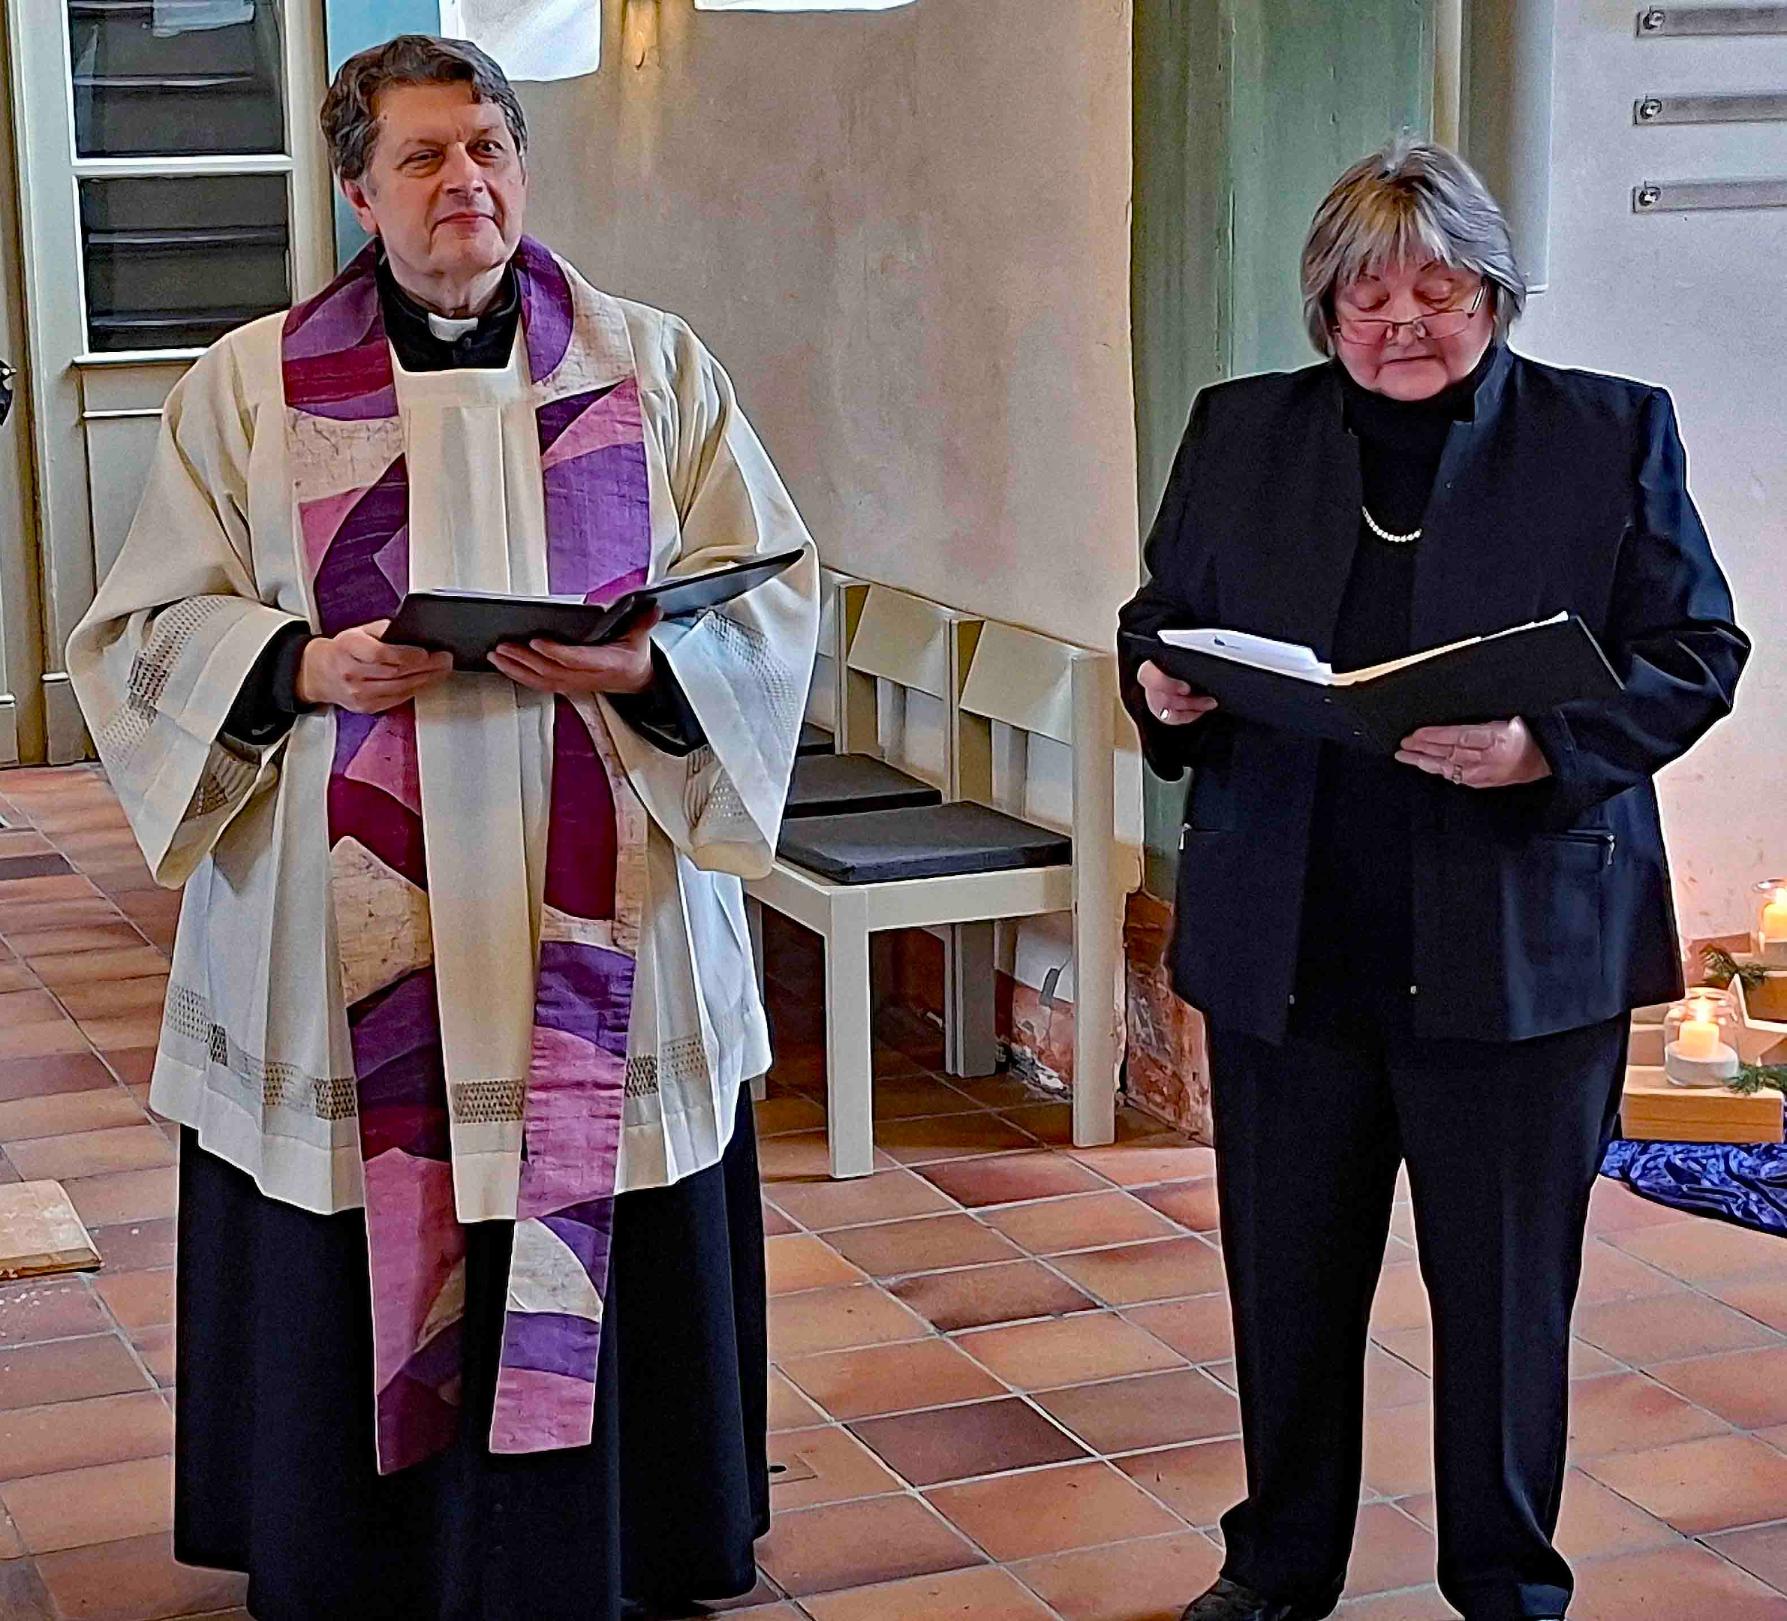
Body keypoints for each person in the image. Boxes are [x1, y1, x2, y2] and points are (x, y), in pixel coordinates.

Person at [68, 34, 818, 1621]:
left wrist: (646, 662)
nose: (463, 178)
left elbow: (772, 591)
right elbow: (140, 626)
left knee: (594, 1169)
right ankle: (362, 1553)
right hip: (341, 903)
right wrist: (298, 659)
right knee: (364, 1188)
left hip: (597, 872)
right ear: (357, 192)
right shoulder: (252, 384)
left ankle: (621, 1540)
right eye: (421, 156)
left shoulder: (649, 363)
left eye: (486, 145)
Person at [1119, 139, 1748, 1621]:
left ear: (1496, 294)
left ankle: (1506, 1582)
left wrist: (1545, 743)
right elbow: (1163, 615)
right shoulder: (1238, 430)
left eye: (1439, 283)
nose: (1401, 318)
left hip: (1520, 953)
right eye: (1366, 288)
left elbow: (1696, 651)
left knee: (1508, 1305)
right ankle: (1275, 1567)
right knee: (1287, 1292)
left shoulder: (1606, 434)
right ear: (1323, 305)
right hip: (1294, 940)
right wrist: (1167, 690)